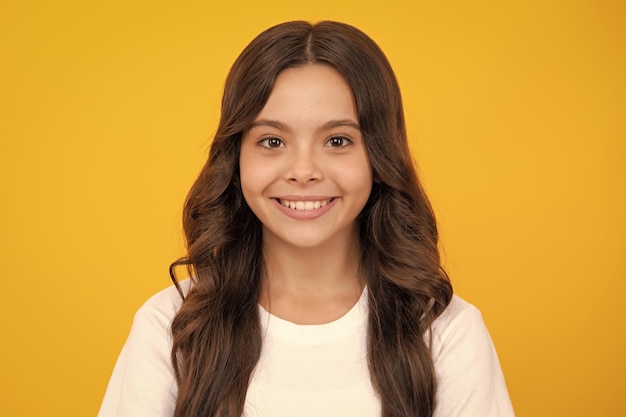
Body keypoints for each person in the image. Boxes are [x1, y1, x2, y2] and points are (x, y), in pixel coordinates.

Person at [98, 21, 515, 417]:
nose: (303, 170)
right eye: (272, 141)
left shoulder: (446, 334)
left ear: (379, 156)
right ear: (235, 157)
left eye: (337, 140)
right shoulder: (172, 326)